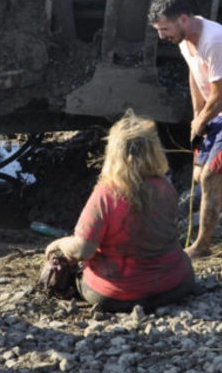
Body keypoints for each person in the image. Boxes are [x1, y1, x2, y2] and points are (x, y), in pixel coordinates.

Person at [148, 0, 222, 258]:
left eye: (164, 29)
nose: (161, 36)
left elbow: (221, 97)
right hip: (216, 110)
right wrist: (196, 115)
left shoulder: (214, 41)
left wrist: (202, 119)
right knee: (201, 176)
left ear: (184, 19)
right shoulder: (183, 39)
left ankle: (202, 246)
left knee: (210, 176)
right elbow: (194, 73)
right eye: (158, 30)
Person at [44, 111, 195, 311]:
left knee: (62, 268)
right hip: (175, 286)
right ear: (155, 150)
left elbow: (83, 250)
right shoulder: (165, 187)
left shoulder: (106, 195)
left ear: (113, 152)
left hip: (116, 294)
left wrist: (58, 244)